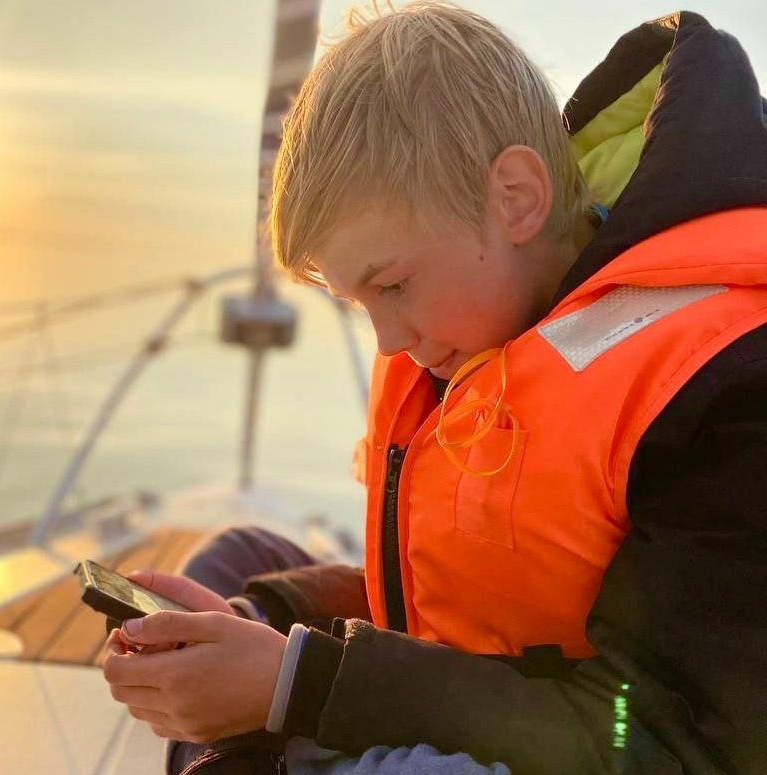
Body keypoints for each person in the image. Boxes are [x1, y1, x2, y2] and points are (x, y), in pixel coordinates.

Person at [102, 3, 767, 773]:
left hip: (623, 741)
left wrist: (297, 683)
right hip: (500, 696)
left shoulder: (727, 391)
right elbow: (453, 591)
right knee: (237, 560)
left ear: (517, 197)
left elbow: (660, 737)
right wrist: (271, 623)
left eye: (392, 284)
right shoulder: (491, 323)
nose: (389, 341)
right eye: (361, 303)